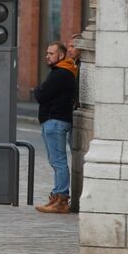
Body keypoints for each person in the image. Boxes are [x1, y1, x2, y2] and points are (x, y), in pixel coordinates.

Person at [33, 41, 78, 214]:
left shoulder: (61, 73)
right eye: (47, 53)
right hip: (54, 120)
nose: (47, 56)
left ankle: (61, 199)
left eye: (51, 53)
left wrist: (38, 90)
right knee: (56, 161)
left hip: (55, 121)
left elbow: (41, 94)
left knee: (58, 162)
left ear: (61, 55)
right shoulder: (61, 72)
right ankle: (58, 197)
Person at [67, 33, 82, 110]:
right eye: (69, 46)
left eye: (72, 46)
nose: (69, 49)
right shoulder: (74, 63)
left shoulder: (84, 65)